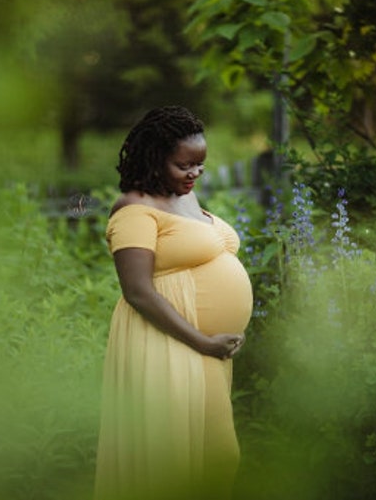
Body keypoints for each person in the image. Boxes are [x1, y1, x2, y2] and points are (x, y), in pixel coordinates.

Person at [94, 106, 253, 500]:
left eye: (200, 165)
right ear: (154, 158)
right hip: (168, 341)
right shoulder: (134, 209)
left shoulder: (185, 196)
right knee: (171, 461)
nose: (195, 174)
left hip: (203, 348)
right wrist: (202, 341)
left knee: (217, 457)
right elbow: (138, 291)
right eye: (184, 165)